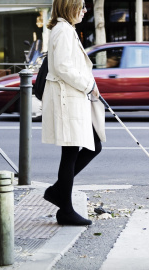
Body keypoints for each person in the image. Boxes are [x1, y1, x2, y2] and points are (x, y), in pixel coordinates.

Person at [41, 0, 106, 226]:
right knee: (72, 151)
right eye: (82, 6)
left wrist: (89, 85)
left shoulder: (66, 30)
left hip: (71, 99)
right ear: (69, 7)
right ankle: (65, 208)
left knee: (90, 146)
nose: (85, 11)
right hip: (66, 100)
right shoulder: (63, 31)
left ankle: (59, 193)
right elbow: (63, 68)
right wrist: (88, 85)